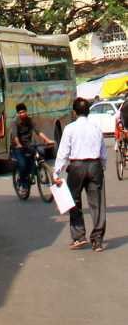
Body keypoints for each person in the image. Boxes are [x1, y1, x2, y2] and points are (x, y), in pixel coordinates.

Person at [54, 97, 108, 251]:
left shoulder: (69, 128)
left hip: (77, 166)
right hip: (95, 165)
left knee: (74, 200)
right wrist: (102, 166)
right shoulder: (96, 128)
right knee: (97, 204)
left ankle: (79, 236)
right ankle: (97, 240)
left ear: (74, 112)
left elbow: (63, 152)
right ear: (88, 111)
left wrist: (57, 172)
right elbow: (103, 151)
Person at [11, 102, 54, 193]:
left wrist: (47, 140)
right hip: (18, 147)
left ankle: (36, 171)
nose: (22, 114)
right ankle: (22, 183)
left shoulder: (30, 120)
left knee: (40, 153)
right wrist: (18, 144)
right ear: (18, 114)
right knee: (22, 165)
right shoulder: (15, 123)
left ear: (26, 112)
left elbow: (38, 132)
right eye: (20, 112)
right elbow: (15, 136)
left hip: (29, 145)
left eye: (24, 112)